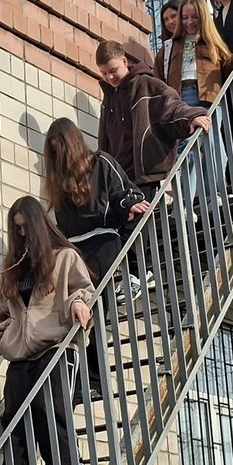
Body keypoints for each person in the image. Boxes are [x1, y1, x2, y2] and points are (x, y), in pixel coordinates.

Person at [0, 196, 96, 465]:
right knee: (14, 427)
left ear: (37, 226)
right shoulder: (11, 269)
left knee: (51, 409)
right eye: (16, 229)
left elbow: (83, 289)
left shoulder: (64, 258)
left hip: (56, 346)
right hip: (22, 355)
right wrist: (1, 338)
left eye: (25, 228)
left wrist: (78, 304)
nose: (21, 234)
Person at [40, 118, 149, 396]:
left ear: (73, 144)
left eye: (61, 149)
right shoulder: (59, 181)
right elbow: (63, 227)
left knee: (94, 312)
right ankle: (84, 381)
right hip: (75, 252)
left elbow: (127, 193)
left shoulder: (101, 162)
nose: (59, 157)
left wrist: (128, 204)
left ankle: (94, 381)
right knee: (77, 314)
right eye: (54, 152)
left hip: (103, 244)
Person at [95, 39, 212, 204]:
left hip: (144, 174)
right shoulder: (109, 98)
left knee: (142, 218)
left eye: (113, 70)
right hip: (118, 179)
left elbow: (171, 105)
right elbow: (105, 139)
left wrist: (191, 117)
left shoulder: (145, 84)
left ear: (125, 61)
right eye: (104, 73)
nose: (110, 77)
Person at [164, 0, 233, 108]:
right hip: (180, 98)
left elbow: (226, 69)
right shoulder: (170, 46)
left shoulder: (213, 44)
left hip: (209, 98)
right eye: (185, 17)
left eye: (195, 17)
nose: (190, 22)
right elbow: (158, 78)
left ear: (203, 16)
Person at [152, 0, 181, 83]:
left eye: (173, 16)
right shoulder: (164, 51)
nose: (170, 22)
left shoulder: (197, 40)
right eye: (166, 19)